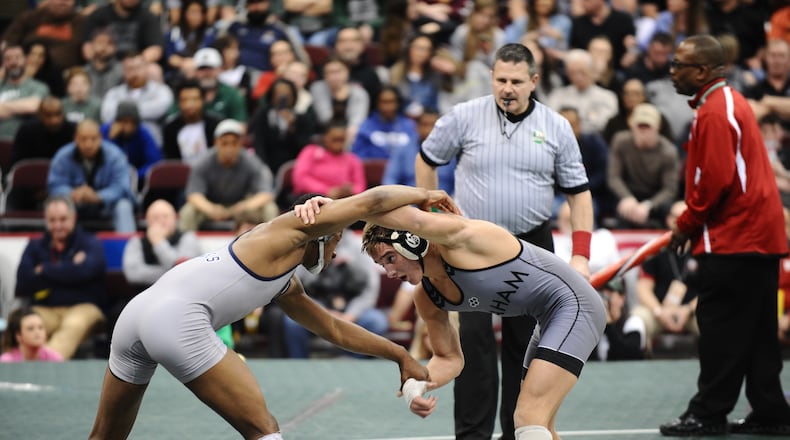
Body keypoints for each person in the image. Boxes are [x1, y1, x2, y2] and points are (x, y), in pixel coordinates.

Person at [87, 184, 454, 439]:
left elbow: (333, 329)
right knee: (264, 431)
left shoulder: (281, 275)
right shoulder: (292, 231)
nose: (335, 252)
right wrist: (426, 194)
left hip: (136, 315)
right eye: (337, 239)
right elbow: (372, 202)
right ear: (323, 227)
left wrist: (399, 355)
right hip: (177, 321)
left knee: (104, 436)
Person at [415, 43, 594, 440]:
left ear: (534, 81)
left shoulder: (556, 126)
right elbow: (426, 160)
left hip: (531, 247)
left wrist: (581, 255)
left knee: (525, 348)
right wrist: (432, 219)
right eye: (500, 80)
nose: (507, 89)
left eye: (516, 81)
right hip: (471, 249)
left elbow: (579, 194)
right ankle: (472, 437)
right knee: (473, 344)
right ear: (491, 78)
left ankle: (518, 433)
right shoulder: (463, 116)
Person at [318, 200, 604, 440]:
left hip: (575, 306)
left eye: (390, 258)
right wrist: (418, 384)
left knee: (528, 417)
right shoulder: (427, 296)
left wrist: (335, 208)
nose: (389, 273)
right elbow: (449, 358)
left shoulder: (463, 240)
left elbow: (399, 212)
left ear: (412, 241)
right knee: (542, 427)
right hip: (549, 319)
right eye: (382, 265)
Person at [660, 34, 790, 437]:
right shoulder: (728, 102)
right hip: (756, 238)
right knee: (758, 331)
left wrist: (686, 223)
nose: (672, 71)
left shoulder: (716, 111)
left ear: (702, 71)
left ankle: (708, 413)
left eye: (679, 64)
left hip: (736, 238)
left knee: (720, 328)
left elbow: (715, 180)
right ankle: (770, 411)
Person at [15, 196, 107, 360]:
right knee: (25, 323)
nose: (57, 226)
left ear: (73, 218)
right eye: (52, 220)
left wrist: (44, 269)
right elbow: (23, 281)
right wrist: (71, 267)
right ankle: (11, 365)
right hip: (45, 309)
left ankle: (46, 365)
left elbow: (87, 272)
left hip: (84, 307)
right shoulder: (35, 246)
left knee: (73, 324)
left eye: (63, 219)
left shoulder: (90, 242)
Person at [178, 119, 279, 231]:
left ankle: (273, 239)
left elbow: (266, 193)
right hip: (212, 206)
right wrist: (210, 209)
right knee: (188, 211)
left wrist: (245, 206)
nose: (229, 148)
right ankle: (186, 240)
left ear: (241, 144)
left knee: (269, 208)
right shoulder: (203, 162)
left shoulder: (252, 161)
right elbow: (193, 194)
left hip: (243, 207)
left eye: (234, 143)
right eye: (224, 143)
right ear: (216, 143)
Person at [48, 120, 138, 233]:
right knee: (57, 207)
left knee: (123, 206)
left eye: (93, 139)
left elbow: (122, 187)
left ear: (100, 138)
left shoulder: (116, 156)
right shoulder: (62, 156)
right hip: (74, 205)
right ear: (75, 138)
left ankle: (128, 242)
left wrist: (98, 197)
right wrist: (73, 193)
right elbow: (54, 185)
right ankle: (56, 243)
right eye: (83, 139)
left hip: (108, 206)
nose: (88, 144)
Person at [100, 100, 163, 185]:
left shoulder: (143, 132)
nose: (128, 127)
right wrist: (111, 139)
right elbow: (100, 162)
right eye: (124, 122)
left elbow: (155, 163)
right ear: (117, 121)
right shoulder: (105, 131)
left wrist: (135, 175)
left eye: (133, 122)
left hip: (137, 180)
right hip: (110, 180)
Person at [0, 44, 50, 141]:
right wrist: (22, 107)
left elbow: (33, 106)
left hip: (26, 143)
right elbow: (28, 106)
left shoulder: (39, 86)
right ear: (3, 63)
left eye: (17, 57)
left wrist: (2, 107)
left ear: (26, 60)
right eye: (8, 58)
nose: (13, 62)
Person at [0, 307, 64, 362]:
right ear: (18, 335)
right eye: (30, 328)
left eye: (41, 327)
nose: (37, 332)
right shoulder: (7, 362)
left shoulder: (54, 358)